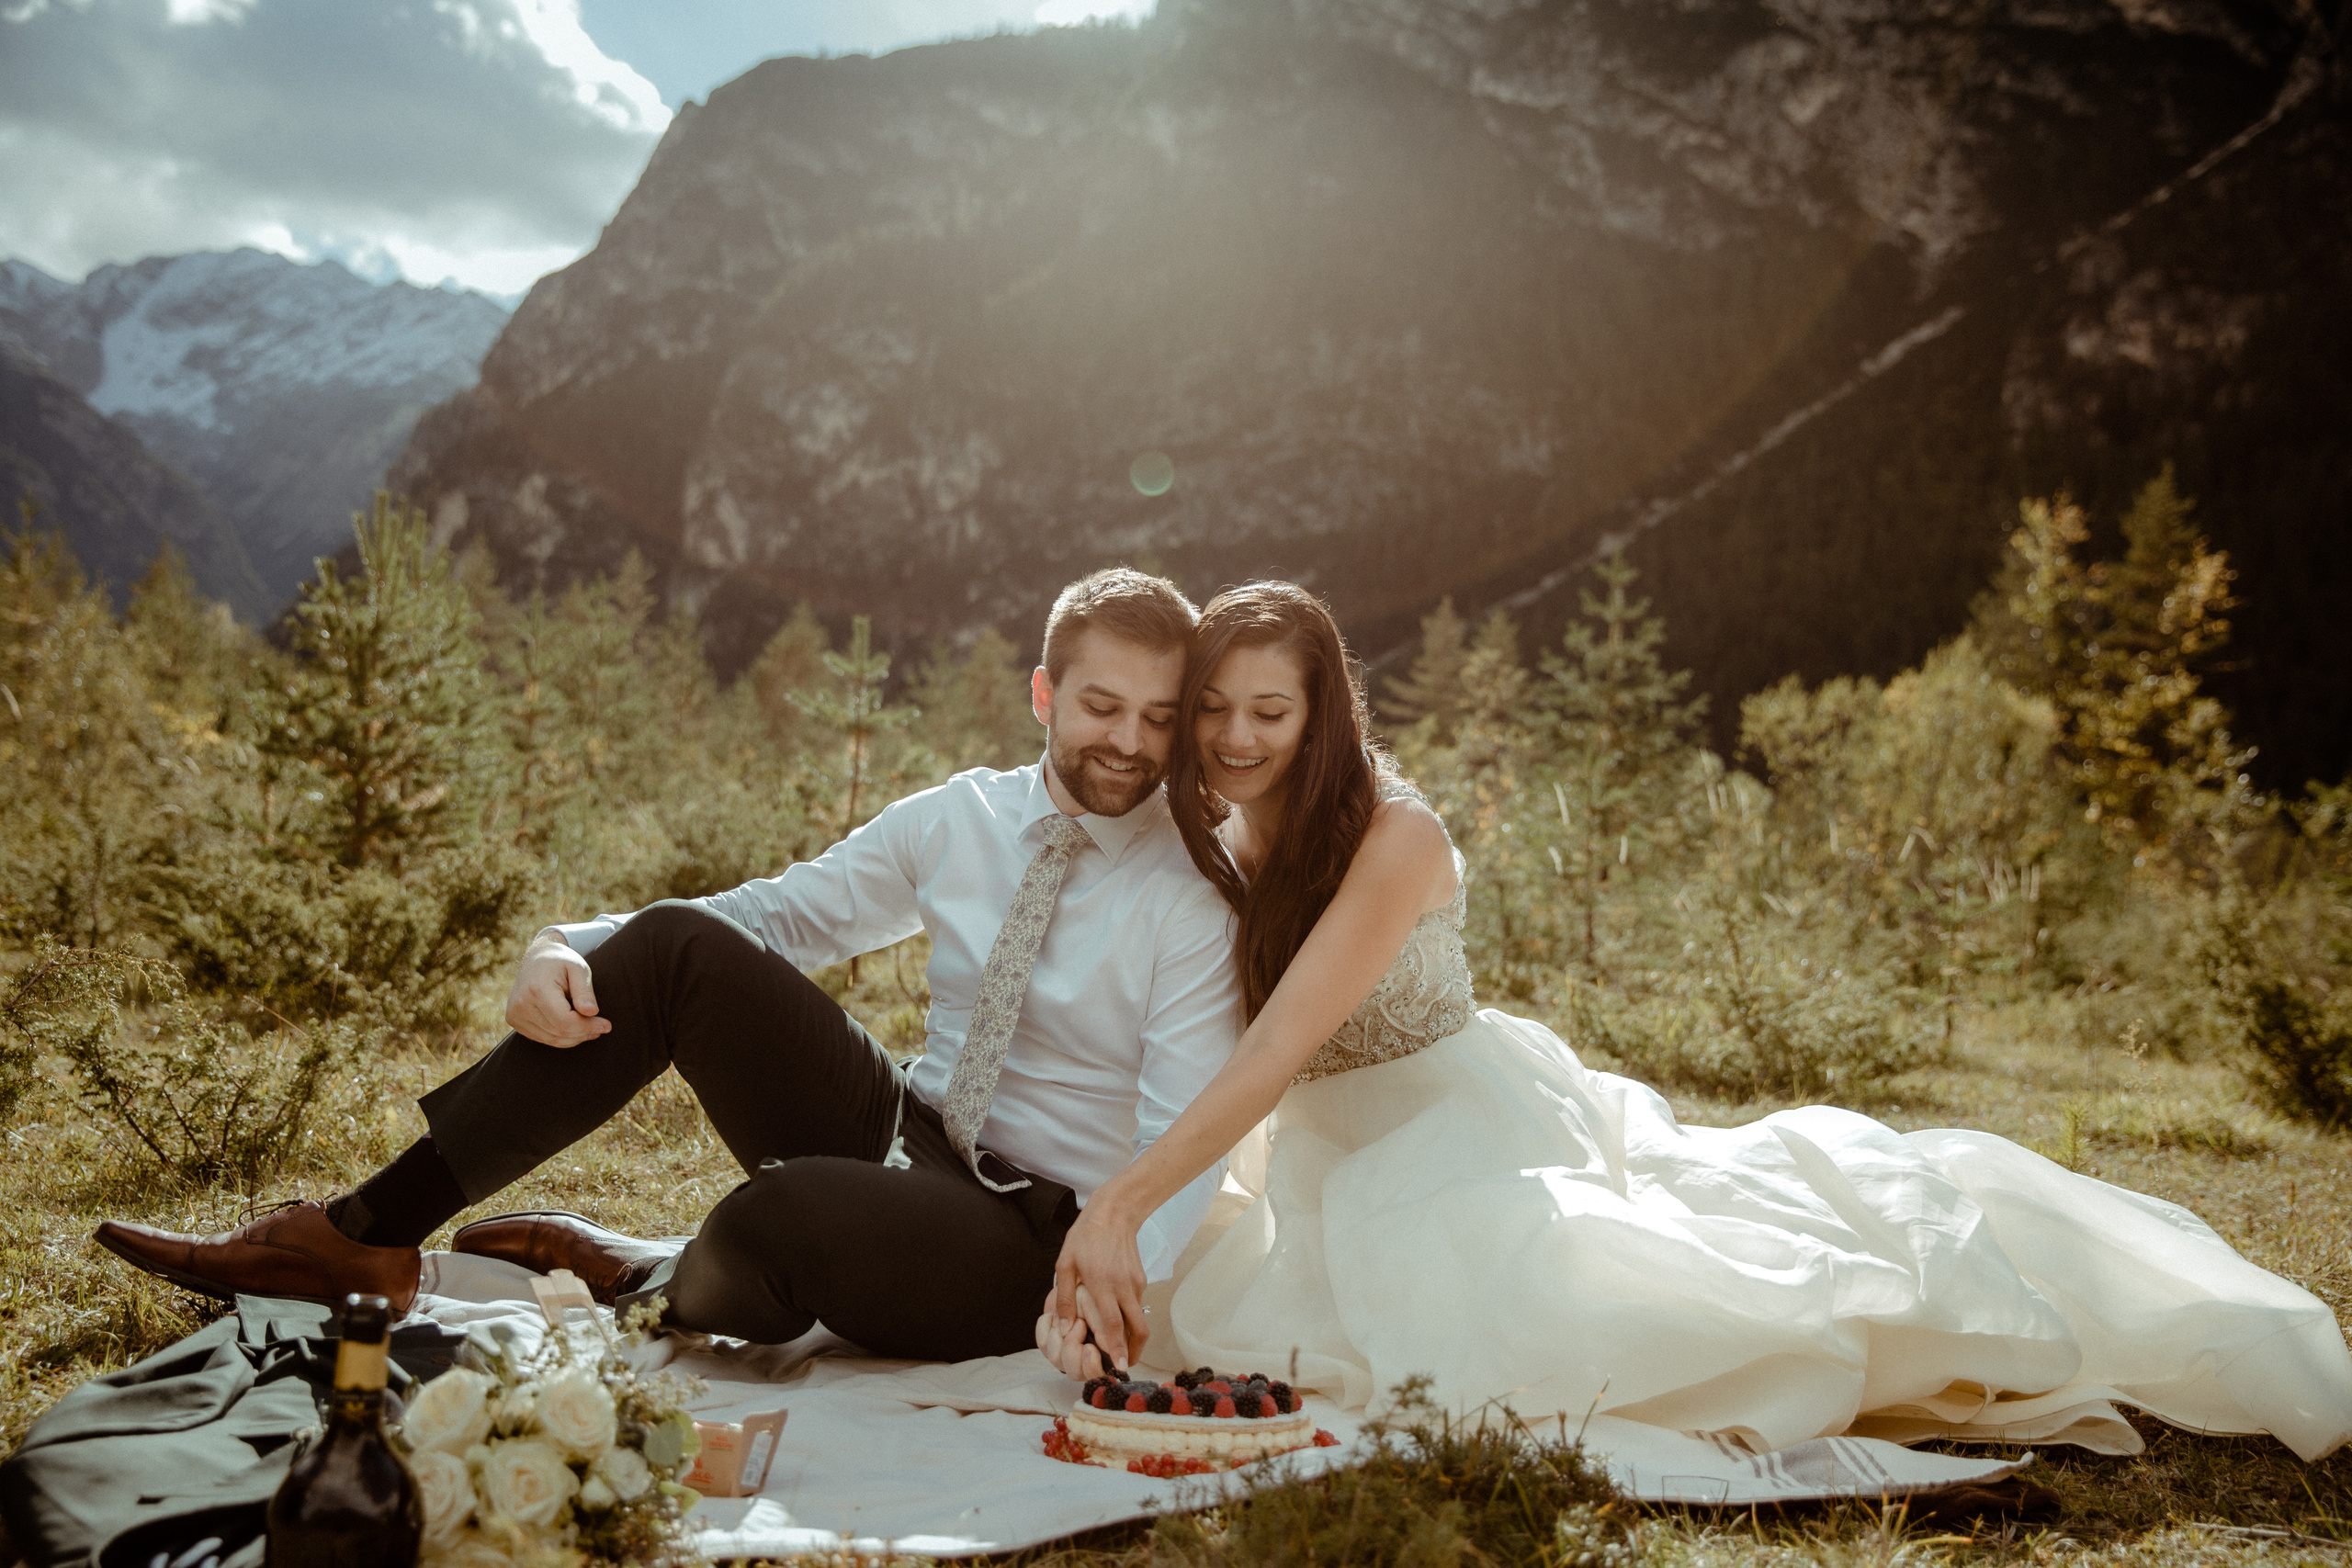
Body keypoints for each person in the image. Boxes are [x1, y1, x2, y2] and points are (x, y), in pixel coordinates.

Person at [1038, 581, 2352, 1463]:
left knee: (1569, 1324)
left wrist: (1123, 1197)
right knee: (1202, 1315)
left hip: (1453, 1126)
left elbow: (1273, 1042)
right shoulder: (1205, 825)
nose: (1233, 735)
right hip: (1313, 1145)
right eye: (1212, 709)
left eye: (1270, 711)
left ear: (1323, 713)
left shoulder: (1395, 835)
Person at [96, 569, 1245, 1363]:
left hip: (1031, 1240)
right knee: (679, 947)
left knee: (778, 1220)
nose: (1131, 744)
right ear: (1045, 696)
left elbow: (1186, 1130)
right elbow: (772, 919)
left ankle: (650, 1277)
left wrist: (1107, 1292)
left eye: (1157, 717)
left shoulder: (1190, 892)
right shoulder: (958, 818)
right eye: (1101, 706)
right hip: (908, 1131)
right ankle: (361, 1237)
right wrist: (565, 944)